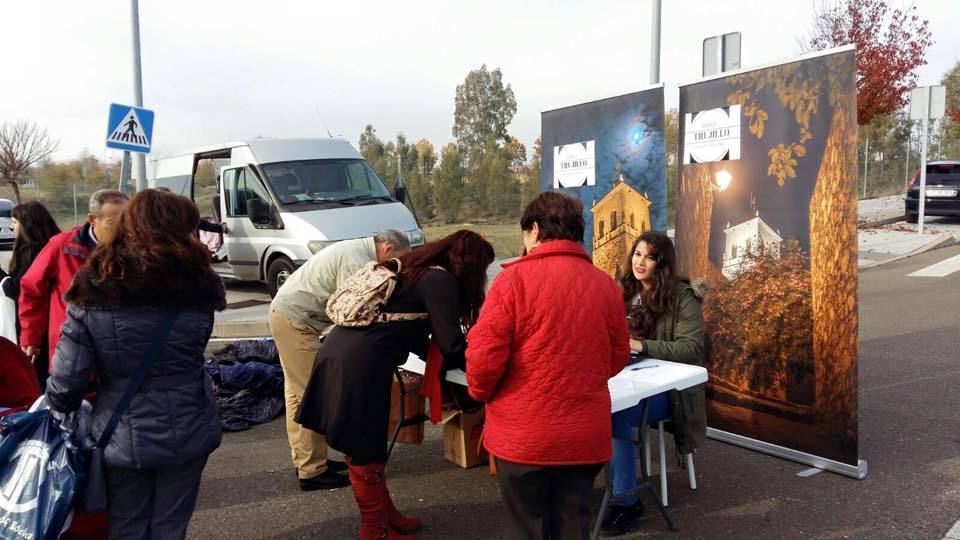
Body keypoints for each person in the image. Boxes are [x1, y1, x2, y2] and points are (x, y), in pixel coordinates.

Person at [45, 189, 225, 539]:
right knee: (171, 527)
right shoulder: (201, 284)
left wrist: (56, 407)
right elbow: (194, 348)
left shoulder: (94, 284)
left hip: (120, 432)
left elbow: (67, 381)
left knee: (126, 525)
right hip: (191, 423)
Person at [296, 230, 495, 540]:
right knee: (364, 445)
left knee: (369, 442)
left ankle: (385, 515)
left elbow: (410, 327)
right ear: (468, 264)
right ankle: (374, 530)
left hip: (344, 355)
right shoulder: (439, 281)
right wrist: (487, 366)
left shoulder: (416, 269)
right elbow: (452, 344)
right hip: (360, 366)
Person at [466, 192, 631, 540]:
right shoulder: (605, 285)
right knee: (573, 525)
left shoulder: (511, 282)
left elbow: (482, 362)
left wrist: (482, 394)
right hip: (583, 434)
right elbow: (617, 357)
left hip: (524, 436)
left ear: (536, 230)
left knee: (526, 528)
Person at [269, 229, 411, 491]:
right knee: (308, 395)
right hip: (296, 321)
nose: (394, 269)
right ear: (388, 248)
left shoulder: (355, 248)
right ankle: (311, 472)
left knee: (296, 394)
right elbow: (355, 310)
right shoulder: (356, 259)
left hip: (289, 315)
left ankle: (310, 461)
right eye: (396, 261)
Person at [600, 231, 706, 536]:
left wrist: (641, 346)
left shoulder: (682, 296)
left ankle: (626, 502)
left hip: (668, 391)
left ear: (662, 263)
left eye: (649, 256)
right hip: (628, 374)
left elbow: (691, 348)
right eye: (637, 254)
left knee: (615, 413)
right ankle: (593, 481)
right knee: (591, 403)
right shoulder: (624, 292)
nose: (640, 261)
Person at [18, 189, 128, 368]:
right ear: (93, 219)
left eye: (128, 222)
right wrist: (30, 336)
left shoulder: (136, 249)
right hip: (71, 345)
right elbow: (32, 289)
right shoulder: (62, 246)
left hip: (119, 347)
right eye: (113, 223)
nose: (122, 230)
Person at [0, 202, 60, 377]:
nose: (11, 227)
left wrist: (2, 278)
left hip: (37, 329)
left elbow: (18, 289)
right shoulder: (53, 245)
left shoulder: (33, 251)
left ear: (27, 224)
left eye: (14, 222)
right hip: (51, 325)